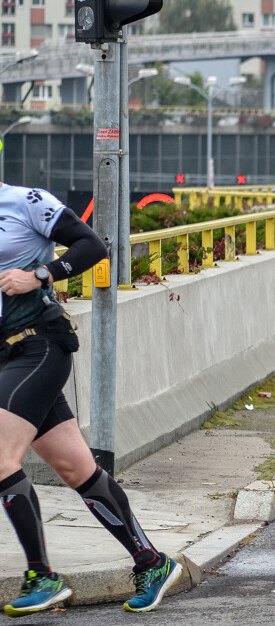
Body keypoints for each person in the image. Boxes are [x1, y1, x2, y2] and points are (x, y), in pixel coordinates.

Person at [0, 184, 182, 616]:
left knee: (2, 458)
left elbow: (92, 245)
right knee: (75, 468)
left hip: (38, 346)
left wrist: (40, 275)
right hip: (6, 356)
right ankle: (152, 563)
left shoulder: (24, 201)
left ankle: (43, 576)